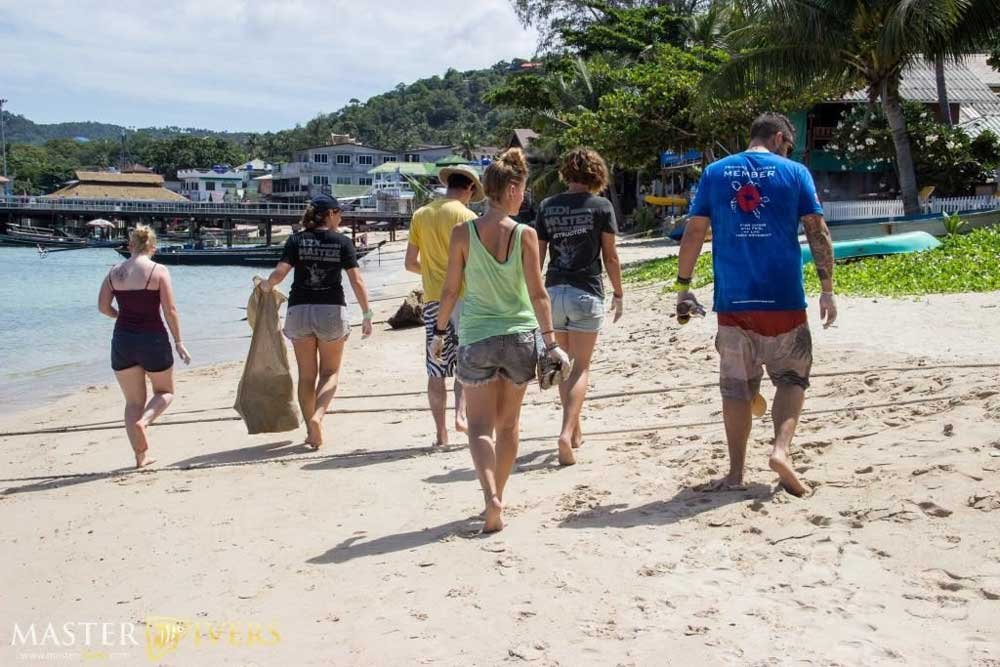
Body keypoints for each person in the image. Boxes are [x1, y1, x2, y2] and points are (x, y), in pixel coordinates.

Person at [676, 112, 837, 497]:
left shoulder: (716, 173)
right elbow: (818, 230)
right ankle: (780, 451)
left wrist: (683, 286)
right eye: (788, 144)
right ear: (779, 137)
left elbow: (695, 230)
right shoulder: (795, 173)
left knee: (735, 389)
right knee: (791, 378)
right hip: (783, 298)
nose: (788, 150)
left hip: (734, 301)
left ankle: (734, 474)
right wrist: (827, 286)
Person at [432, 148, 571, 533]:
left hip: (476, 337)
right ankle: (501, 495)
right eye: (523, 189)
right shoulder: (525, 234)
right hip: (520, 337)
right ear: (511, 189)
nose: (524, 196)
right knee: (509, 426)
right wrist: (551, 341)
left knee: (478, 427)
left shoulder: (463, 233)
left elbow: (449, 290)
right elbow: (538, 293)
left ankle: (489, 496)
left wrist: (439, 333)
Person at [259, 194, 374, 450]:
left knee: (306, 376)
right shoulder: (342, 242)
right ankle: (318, 417)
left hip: (299, 310)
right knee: (330, 373)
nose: (341, 217)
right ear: (330, 214)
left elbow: (280, 273)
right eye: (339, 212)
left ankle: (312, 432)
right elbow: (357, 281)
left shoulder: (296, 240)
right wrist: (367, 315)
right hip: (331, 310)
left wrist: (266, 287)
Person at [535, 147, 624, 466]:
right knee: (581, 366)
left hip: (553, 291)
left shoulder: (547, 206)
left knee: (562, 365)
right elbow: (610, 256)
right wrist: (619, 293)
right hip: (586, 291)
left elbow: (538, 255)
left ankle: (575, 430)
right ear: (596, 174)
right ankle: (566, 432)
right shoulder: (601, 206)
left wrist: (534, 294)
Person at [98, 225, 191, 468]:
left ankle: (141, 457)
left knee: (133, 403)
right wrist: (179, 342)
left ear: (130, 246)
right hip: (153, 338)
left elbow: (103, 307)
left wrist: (120, 316)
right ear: (153, 247)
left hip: (123, 340)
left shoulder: (114, 273)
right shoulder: (158, 271)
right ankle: (146, 422)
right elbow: (170, 310)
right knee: (165, 392)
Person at [405, 165, 484, 446]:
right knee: (465, 360)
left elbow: (410, 263)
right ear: (470, 189)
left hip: (433, 302)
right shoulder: (468, 217)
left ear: (448, 184)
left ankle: (441, 434)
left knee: (436, 367)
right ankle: (460, 415)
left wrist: (431, 273)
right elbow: (477, 264)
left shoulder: (421, 215)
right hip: (465, 299)